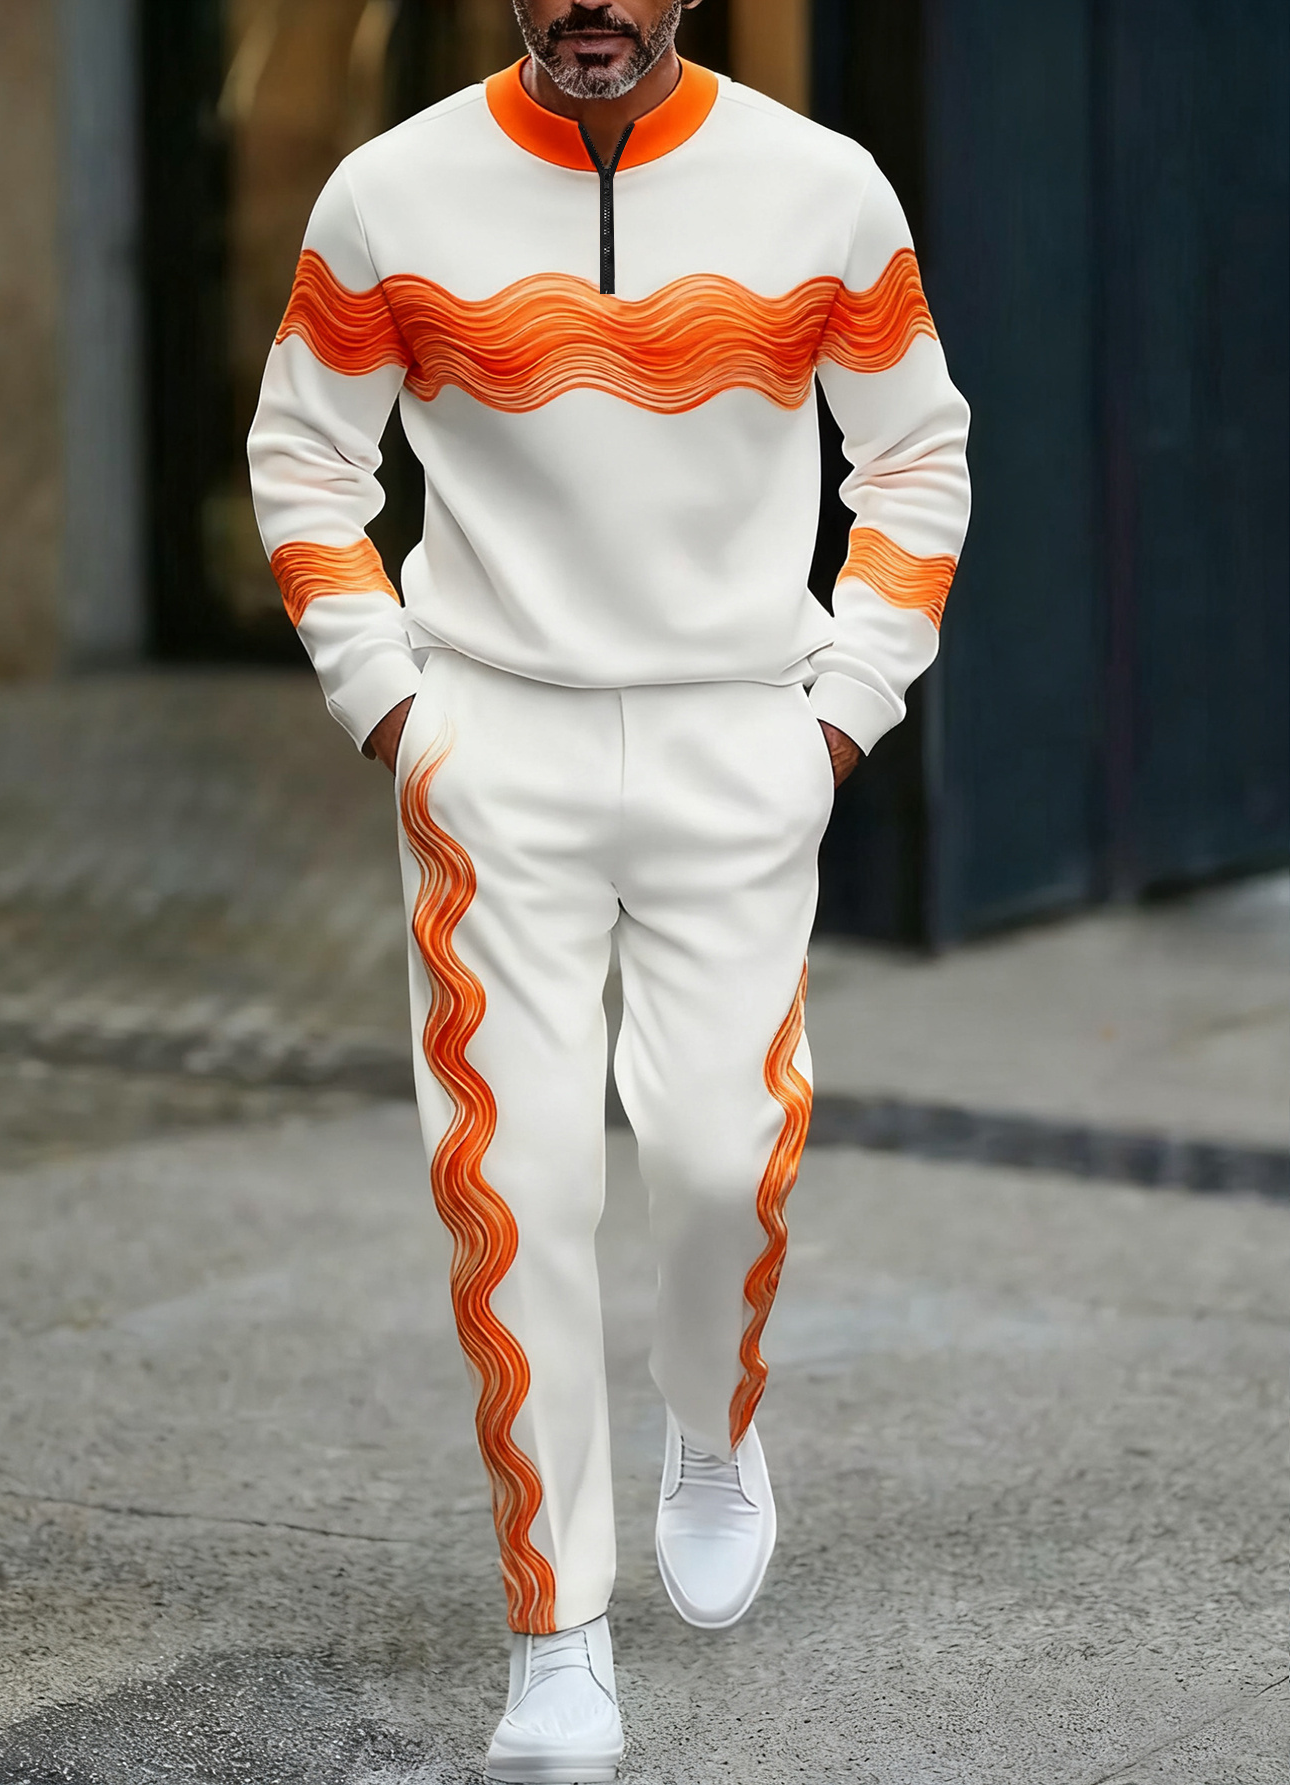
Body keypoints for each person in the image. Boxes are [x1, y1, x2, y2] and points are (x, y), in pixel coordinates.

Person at [249, 2, 970, 1777]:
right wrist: (394, 710)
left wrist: (841, 715)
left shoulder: (823, 186)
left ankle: (712, 1422)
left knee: (727, 1158)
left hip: (742, 738)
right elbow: (307, 460)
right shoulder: (387, 190)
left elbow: (915, 457)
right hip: (492, 747)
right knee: (515, 1191)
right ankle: (554, 1633)